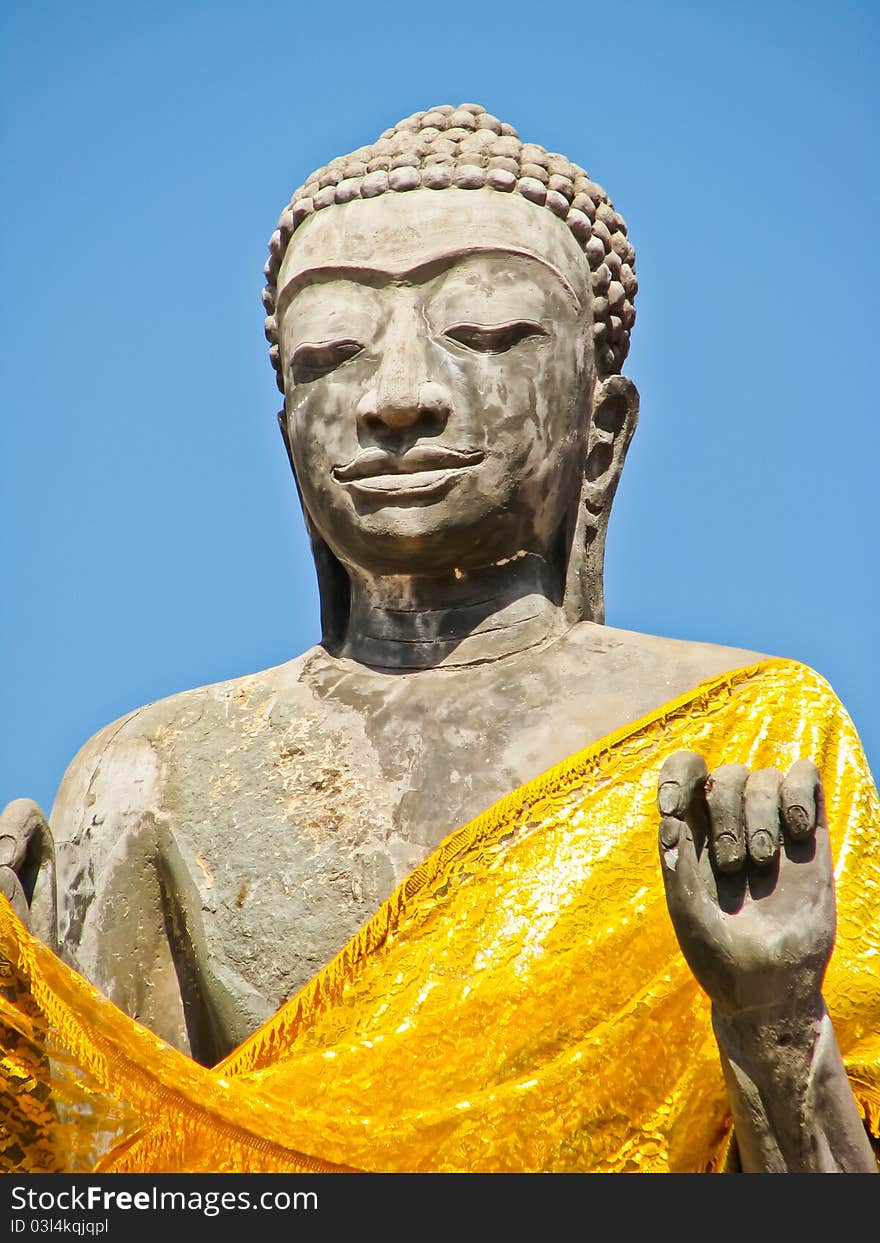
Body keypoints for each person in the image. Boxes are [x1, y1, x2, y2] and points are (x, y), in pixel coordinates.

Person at [1, 104, 878, 1173]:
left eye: (488, 336)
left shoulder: (741, 736)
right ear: (290, 438)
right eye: (329, 353)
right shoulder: (150, 776)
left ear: (599, 436)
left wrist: (773, 1020)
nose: (398, 397)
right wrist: (19, 1056)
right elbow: (104, 1190)